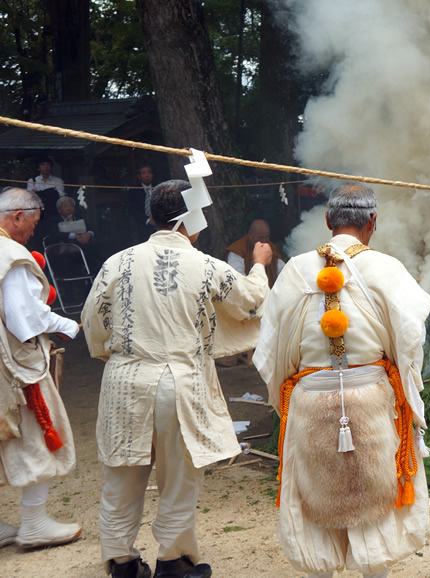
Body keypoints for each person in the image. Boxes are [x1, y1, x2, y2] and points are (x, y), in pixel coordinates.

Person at [82, 179, 272, 578]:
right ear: (192, 222)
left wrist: (115, 356)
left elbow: (92, 322)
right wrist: (259, 264)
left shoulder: (117, 262)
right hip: (178, 383)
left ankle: (122, 564)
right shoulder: (205, 265)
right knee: (180, 477)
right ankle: (173, 561)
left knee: (121, 475)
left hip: (124, 379)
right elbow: (251, 301)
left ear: (153, 217)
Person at [253, 182, 430, 577]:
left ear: (328, 219)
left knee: (316, 505)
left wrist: (292, 391)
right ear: (373, 222)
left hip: (309, 401)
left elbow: (269, 350)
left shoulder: (296, 269)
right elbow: (411, 341)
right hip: (372, 399)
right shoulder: (388, 268)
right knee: (376, 507)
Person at [0, 187, 82, 549]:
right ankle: (33, 523)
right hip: (15, 366)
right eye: (32, 223)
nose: (34, 231)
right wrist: (70, 326)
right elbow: (25, 318)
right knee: (38, 435)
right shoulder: (10, 254)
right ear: (18, 216)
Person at [226, 219, 286, 288]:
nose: (264, 241)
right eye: (261, 237)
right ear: (250, 235)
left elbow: (282, 270)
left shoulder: (270, 248)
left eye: (267, 237)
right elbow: (238, 279)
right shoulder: (237, 251)